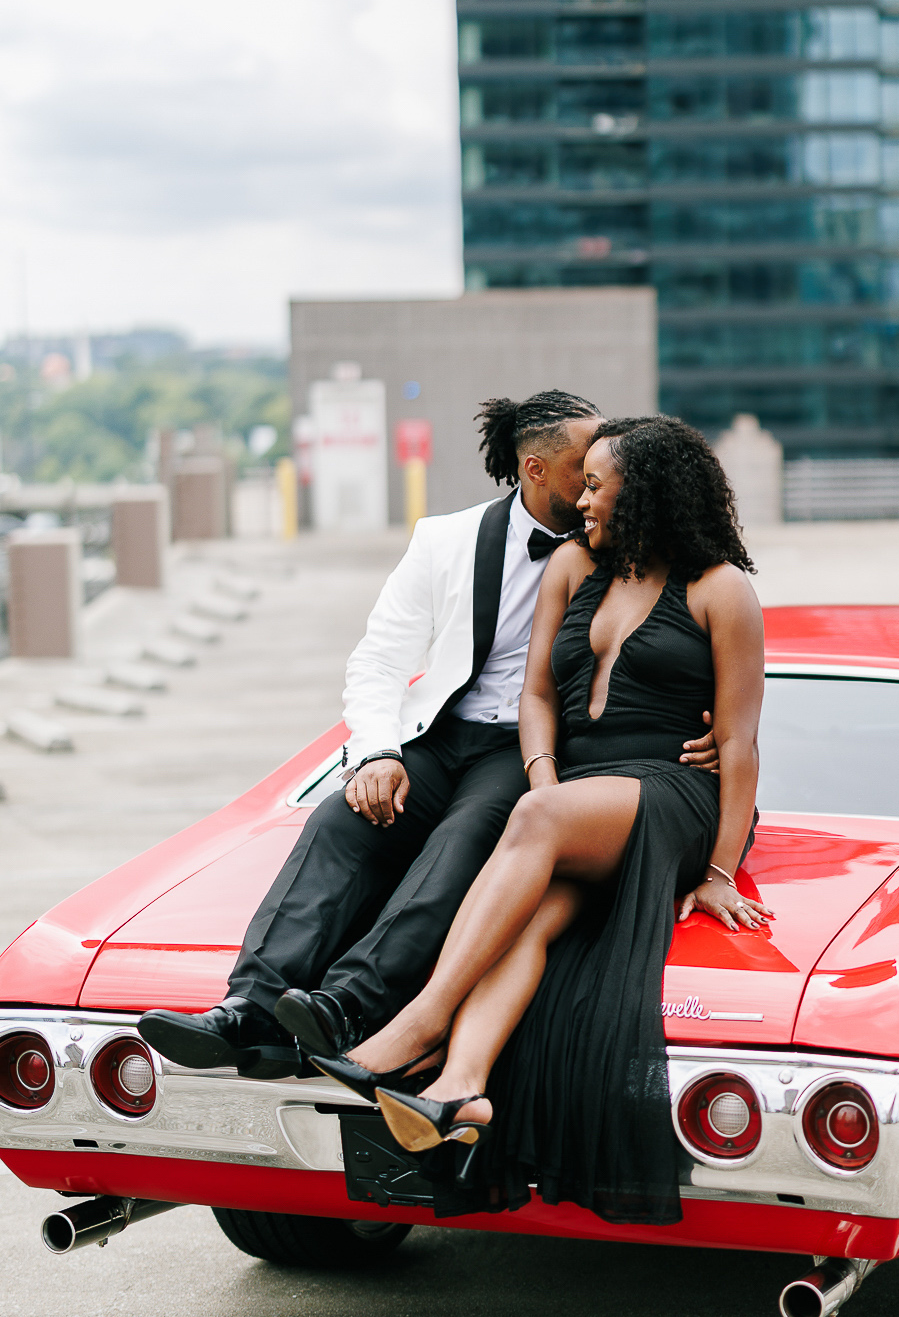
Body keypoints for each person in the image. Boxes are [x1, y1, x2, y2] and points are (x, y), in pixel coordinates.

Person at [140, 392, 718, 1080]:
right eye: (581, 469)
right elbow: (379, 659)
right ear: (535, 469)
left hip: (527, 748)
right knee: (338, 821)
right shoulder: (443, 541)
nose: (595, 477)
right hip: (441, 732)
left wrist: (703, 727)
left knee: (467, 837)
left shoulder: (618, 548)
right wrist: (378, 752)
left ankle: (349, 1005)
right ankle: (246, 1012)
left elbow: (682, 637)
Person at [323, 413, 769, 1228]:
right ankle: (460, 1087)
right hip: (573, 798)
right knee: (526, 926)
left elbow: (738, 743)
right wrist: (545, 776)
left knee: (535, 826)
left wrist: (717, 873)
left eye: (597, 485)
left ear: (649, 493)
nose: (581, 499)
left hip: (671, 796)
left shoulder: (720, 589)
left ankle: (418, 1024)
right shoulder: (573, 565)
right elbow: (534, 694)